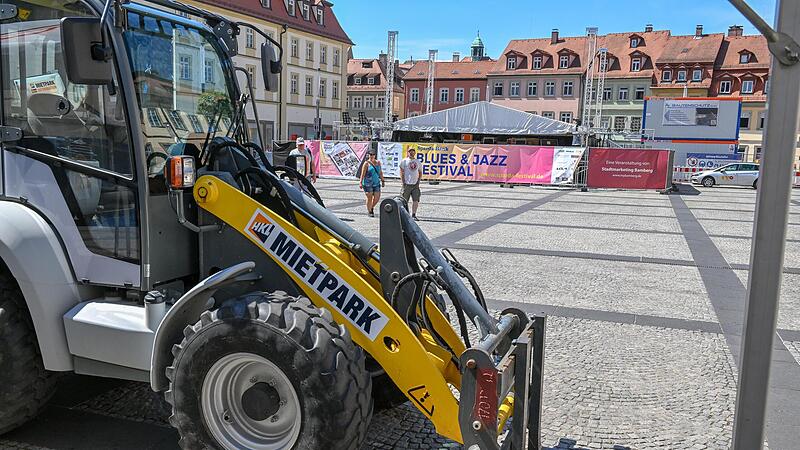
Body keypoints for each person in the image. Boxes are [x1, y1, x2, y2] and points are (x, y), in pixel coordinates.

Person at [360, 150, 385, 217]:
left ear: (375, 155)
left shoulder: (378, 163)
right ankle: (370, 211)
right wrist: (360, 182)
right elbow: (362, 174)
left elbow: (380, 172)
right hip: (368, 183)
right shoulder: (366, 163)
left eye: (373, 154)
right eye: (370, 154)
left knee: (377, 197)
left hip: (376, 182)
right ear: (368, 155)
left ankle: (371, 207)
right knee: (369, 197)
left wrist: (383, 180)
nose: (372, 156)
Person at [399, 147, 421, 220]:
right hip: (407, 184)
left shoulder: (417, 161)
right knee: (404, 200)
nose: (411, 153)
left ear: (415, 153)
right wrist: (403, 182)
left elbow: (420, 172)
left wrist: (418, 181)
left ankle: (414, 214)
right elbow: (401, 171)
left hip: (415, 185)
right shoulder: (404, 161)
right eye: (410, 151)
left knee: (416, 200)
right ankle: (404, 215)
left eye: (413, 151)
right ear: (408, 152)